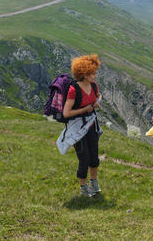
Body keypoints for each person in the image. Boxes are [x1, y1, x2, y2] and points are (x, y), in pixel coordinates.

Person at [62, 54, 103, 197]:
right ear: (84, 74)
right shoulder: (74, 90)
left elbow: (98, 95)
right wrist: (84, 110)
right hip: (78, 128)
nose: (95, 76)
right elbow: (66, 113)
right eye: (93, 73)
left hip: (91, 125)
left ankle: (94, 182)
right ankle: (83, 187)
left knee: (94, 157)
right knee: (83, 158)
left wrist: (97, 101)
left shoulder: (93, 85)